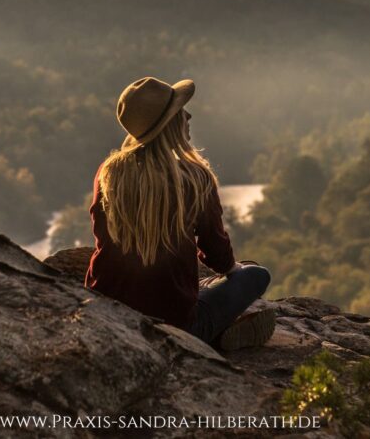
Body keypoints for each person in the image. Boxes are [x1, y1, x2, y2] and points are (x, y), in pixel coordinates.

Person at [84, 76, 275, 350]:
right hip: (174, 327)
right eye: (180, 111)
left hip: (107, 313)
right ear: (170, 124)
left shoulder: (109, 174)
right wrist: (234, 269)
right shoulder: (194, 178)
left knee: (207, 283)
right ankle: (218, 336)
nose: (188, 115)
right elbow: (216, 251)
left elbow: (101, 235)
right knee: (256, 274)